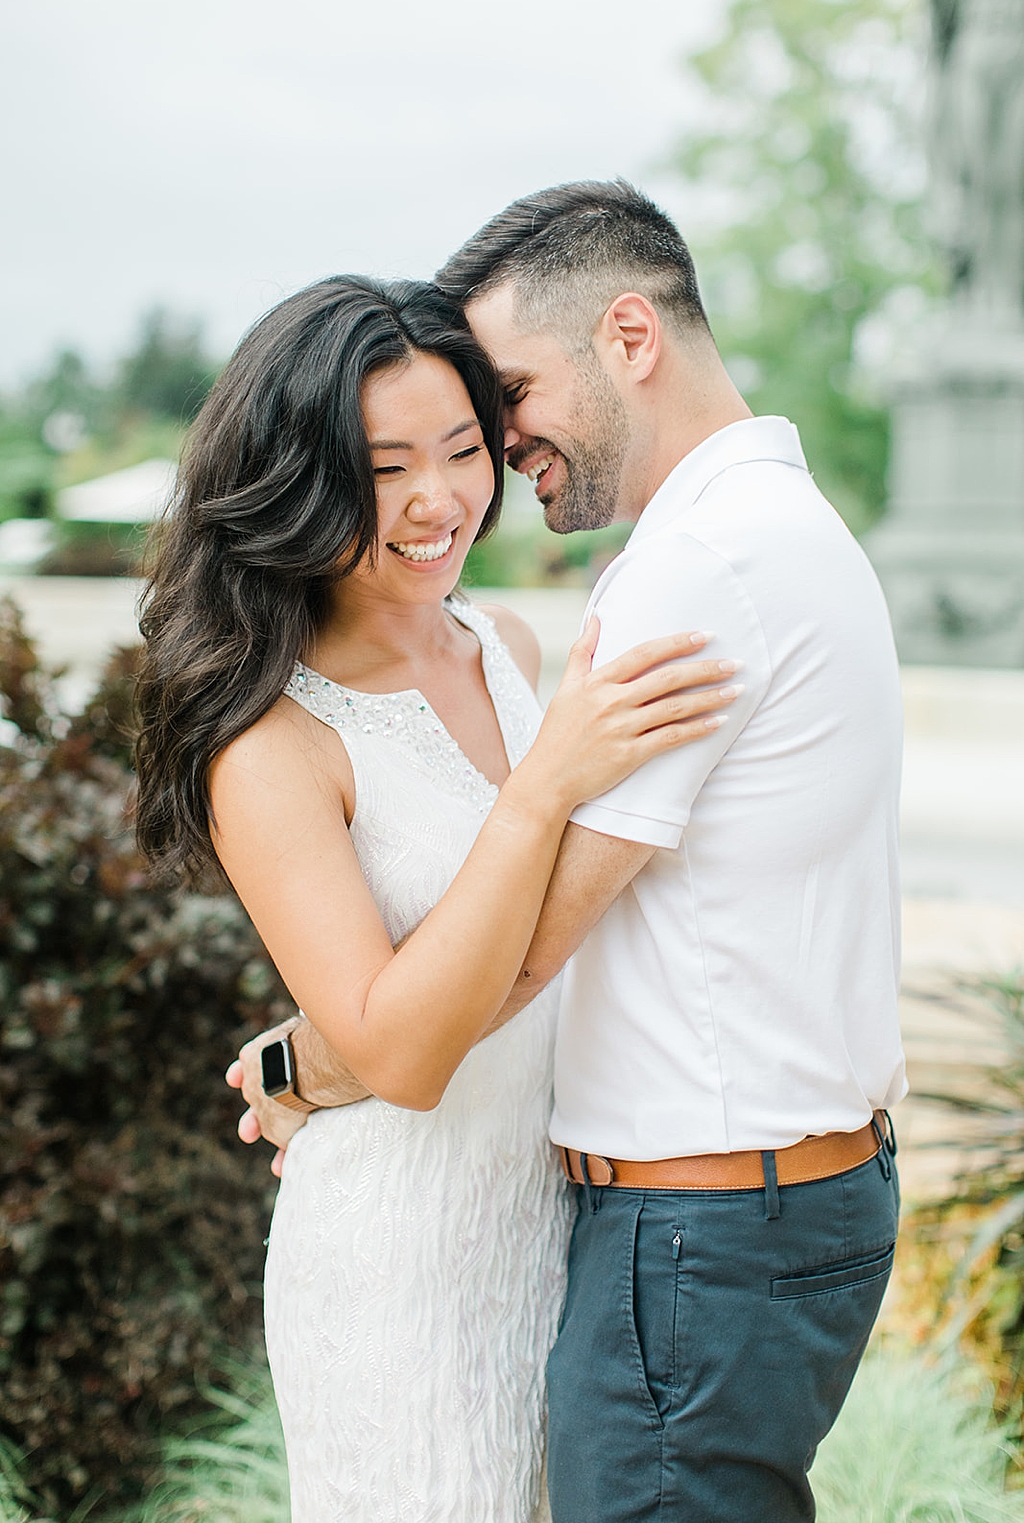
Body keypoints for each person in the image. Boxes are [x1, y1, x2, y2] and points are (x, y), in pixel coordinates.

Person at [237, 181, 907, 1523]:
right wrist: (343, 1039)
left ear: (630, 336)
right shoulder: (780, 526)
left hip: (673, 1228)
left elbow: (531, 943)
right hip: (500, 1232)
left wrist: (307, 1057)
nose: (484, 463)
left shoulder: (666, 583)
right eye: (386, 464)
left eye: (497, 412)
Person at [133, 274, 736, 1523]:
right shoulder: (275, 744)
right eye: (382, 466)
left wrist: (304, 1058)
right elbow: (402, 1054)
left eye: (464, 449)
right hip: (402, 1263)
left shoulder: (511, 649)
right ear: (295, 479)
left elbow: (560, 932)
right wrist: (542, 788)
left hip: (566, 1227)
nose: (437, 500)